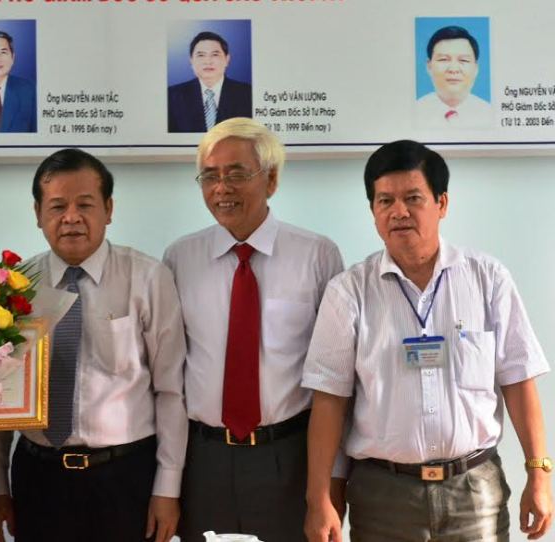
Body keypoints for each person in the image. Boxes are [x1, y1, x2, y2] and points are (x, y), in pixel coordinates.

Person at [303, 140, 553, 542]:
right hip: (382, 495)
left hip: (474, 491)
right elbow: (330, 401)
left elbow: (518, 381)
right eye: (385, 200)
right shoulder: (348, 292)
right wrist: (319, 498)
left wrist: (539, 474)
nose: (398, 211)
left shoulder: (487, 279)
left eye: (412, 198)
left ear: (442, 203)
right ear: (373, 211)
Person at [0, 148, 187, 542]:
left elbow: (171, 390)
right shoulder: (14, 287)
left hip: (125, 475)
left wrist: (168, 487)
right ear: (38, 213)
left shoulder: (147, 278)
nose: (71, 217)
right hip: (38, 477)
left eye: (85, 204)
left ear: (109, 209)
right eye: (57, 206)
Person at [163, 117, 345, 541]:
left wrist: (333, 481)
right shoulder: (179, 259)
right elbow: (168, 375)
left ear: (272, 179)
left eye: (237, 174)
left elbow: (336, 381)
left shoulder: (317, 255)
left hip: (289, 457)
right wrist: (167, 484)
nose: (221, 188)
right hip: (203, 460)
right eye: (210, 176)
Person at [168, 31, 252, 133]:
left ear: (227, 59)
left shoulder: (248, 94)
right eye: (201, 55)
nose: (208, 61)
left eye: (215, 55)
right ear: (191, 61)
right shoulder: (172, 96)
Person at [416, 25, 492, 128]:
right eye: (443, 59)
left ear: (475, 68)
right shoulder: (415, 111)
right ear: (429, 66)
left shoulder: (490, 113)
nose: (453, 69)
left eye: (463, 60)